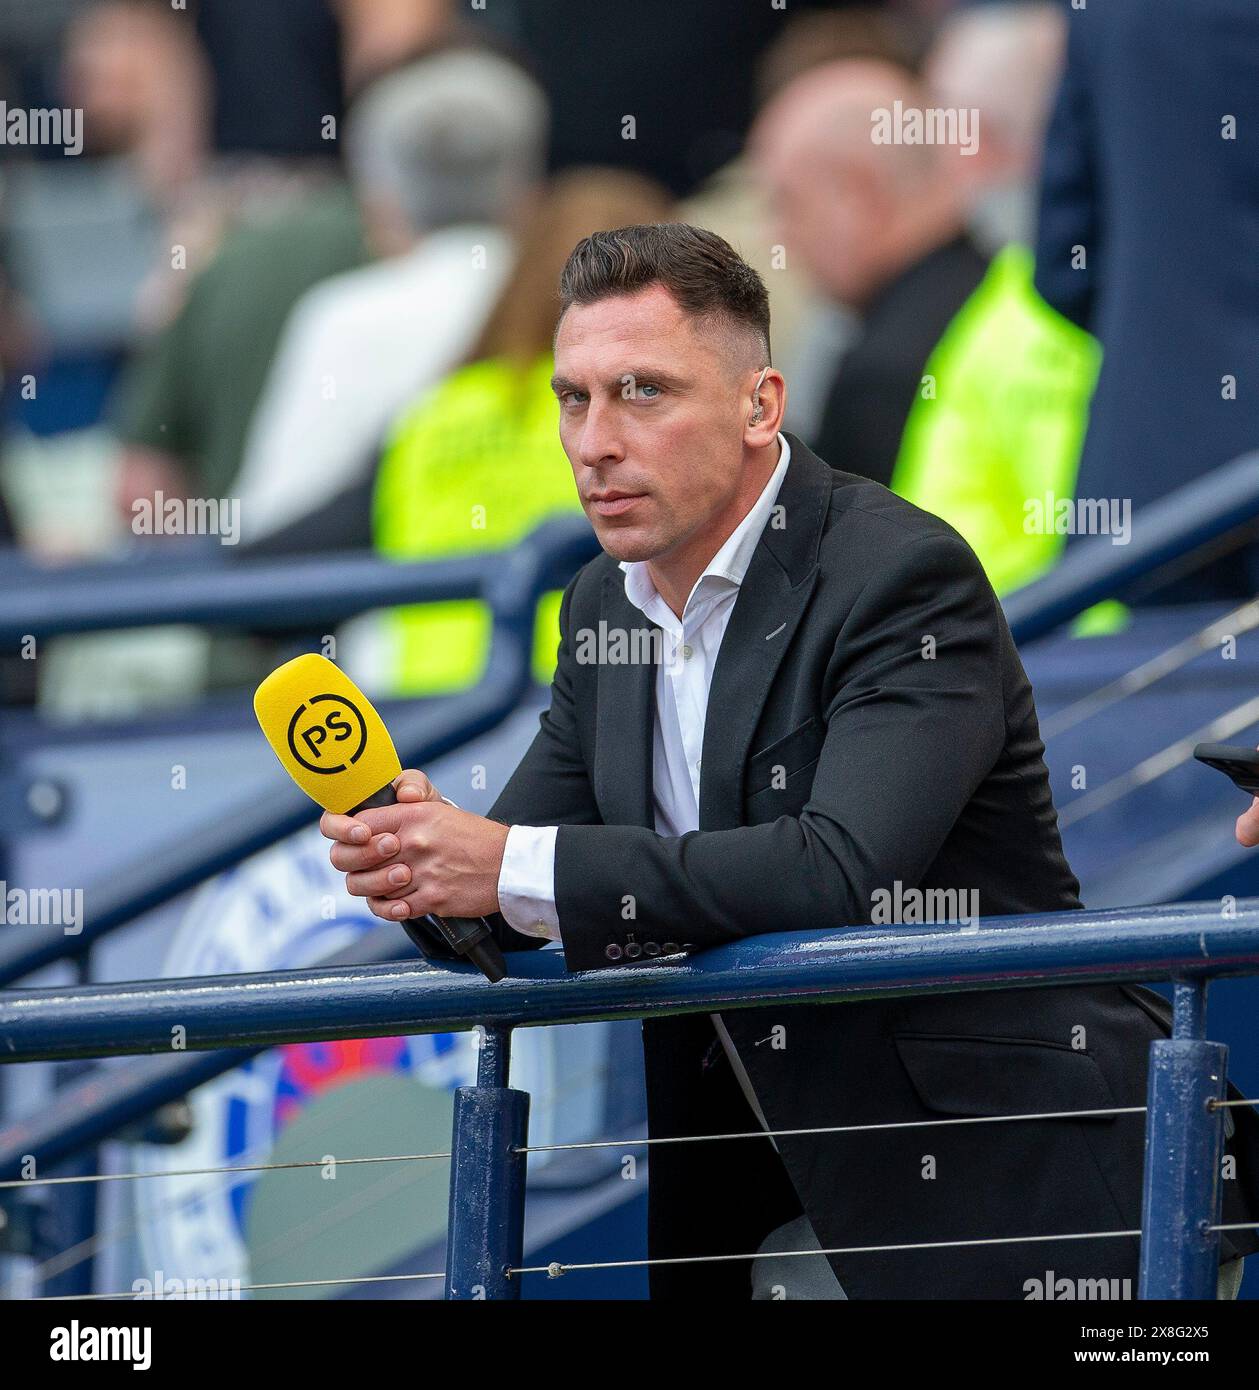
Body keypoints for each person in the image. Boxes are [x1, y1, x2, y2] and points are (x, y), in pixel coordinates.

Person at [319, 225, 1259, 1299]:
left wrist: (506, 865)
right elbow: (515, 885)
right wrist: (418, 863)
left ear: (759, 405)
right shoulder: (597, 607)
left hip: (1028, 1205)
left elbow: (840, 870)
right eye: (572, 399)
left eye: (642, 392)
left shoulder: (898, 570)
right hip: (763, 1222)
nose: (595, 441)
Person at [229, 45, 548, 544]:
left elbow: (268, 535)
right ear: (529, 190)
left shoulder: (345, 317)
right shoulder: (573, 298)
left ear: (380, 202)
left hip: (387, 621)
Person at [1033, 0, 1259, 601]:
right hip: (1167, 475)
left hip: (1157, 474)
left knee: (1182, 688)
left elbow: (1064, 259)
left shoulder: (1113, 12)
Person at [751, 59, 988, 488]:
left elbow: (847, 550)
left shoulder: (880, 375)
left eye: (788, 203)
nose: (779, 236)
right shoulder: (1015, 295)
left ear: (857, 193)